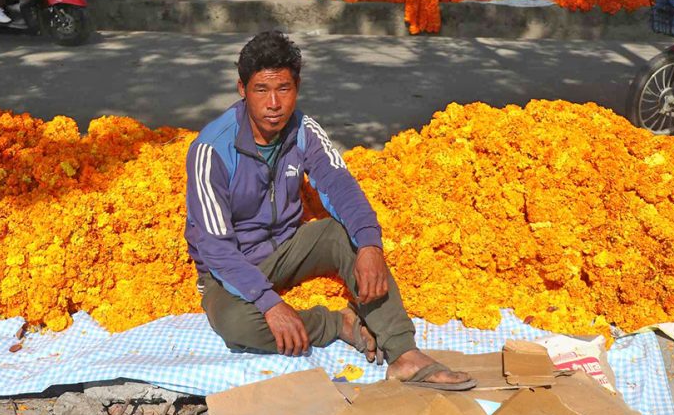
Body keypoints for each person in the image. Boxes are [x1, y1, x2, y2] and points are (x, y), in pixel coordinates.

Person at [184, 31, 477, 391]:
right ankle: (338, 325)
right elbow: (215, 247)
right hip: (232, 270)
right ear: (242, 90)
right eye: (261, 90)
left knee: (345, 235)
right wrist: (269, 303)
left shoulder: (304, 130)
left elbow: (340, 186)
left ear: (297, 87)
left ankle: (403, 352)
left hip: (288, 249)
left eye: (284, 89)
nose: (274, 103)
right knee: (236, 325)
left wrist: (370, 245)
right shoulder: (211, 149)